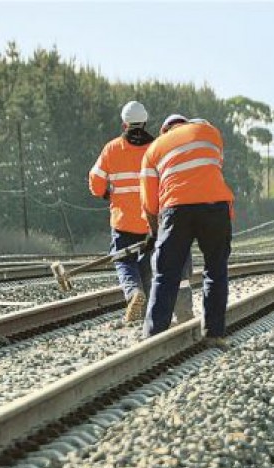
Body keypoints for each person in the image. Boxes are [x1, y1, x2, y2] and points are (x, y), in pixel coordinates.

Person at [140, 114, 234, 341]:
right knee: (216, 270)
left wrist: (154, 231)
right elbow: (214, 166)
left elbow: (149, 202)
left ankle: (154, 336)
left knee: (165, 275)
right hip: (215, 206)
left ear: (165, 130)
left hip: (176, 209)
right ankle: (214, 334)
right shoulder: (210, 133)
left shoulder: (153, 149)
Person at [89, 100, 155, 323]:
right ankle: (146, 314)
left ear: (124, 123)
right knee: (146, 264)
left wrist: (106, 194)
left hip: (123, 220)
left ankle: (133, 293)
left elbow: (96, 183)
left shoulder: (112, 148)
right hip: (150, 221)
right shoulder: (156, 148)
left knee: (123, 261)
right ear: (145, 122)